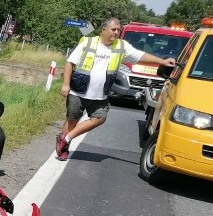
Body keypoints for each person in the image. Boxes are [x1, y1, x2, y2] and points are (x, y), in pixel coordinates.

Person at [55, 17, 176, 161]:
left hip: (100, 95)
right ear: (103, 30)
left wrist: (162, 61)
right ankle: (63, 149)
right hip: (78, 91)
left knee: (100, 118)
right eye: (113, 29)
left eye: (119, 30)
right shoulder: (88, 43)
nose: (117, 32)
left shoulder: (121, 46)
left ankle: (66, 138)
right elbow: (70, 63)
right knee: (72, 121)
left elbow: (141, 56)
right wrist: (66, 84)